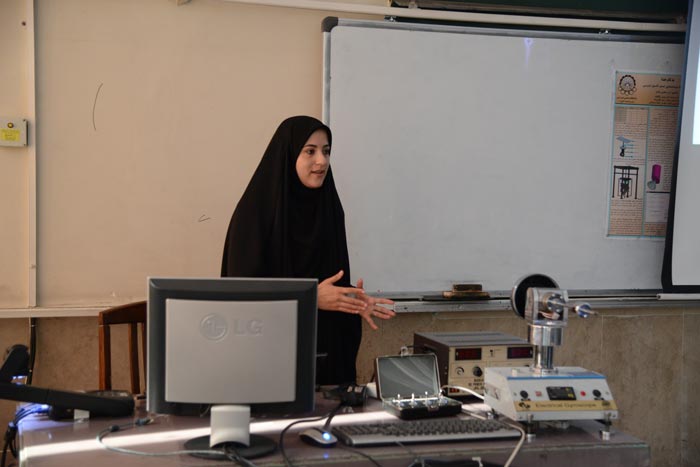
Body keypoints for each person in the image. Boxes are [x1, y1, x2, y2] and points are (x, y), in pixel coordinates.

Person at [221, 115, 395, 385]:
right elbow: (240, 297)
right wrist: (309, 298)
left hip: (322, 362)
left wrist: (349, 300)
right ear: (289, 155)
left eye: (326, 151)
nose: (322, 161)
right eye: (310, 151)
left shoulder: (329, 210)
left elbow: (330, 284)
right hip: (265, 367)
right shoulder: (254, 216)